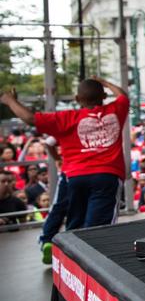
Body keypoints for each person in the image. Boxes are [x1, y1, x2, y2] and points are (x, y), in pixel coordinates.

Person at [0, 77, 128, 239]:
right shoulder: (116, 110)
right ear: (104, 96)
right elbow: (123, 95)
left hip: (75, 178)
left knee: (75, 223)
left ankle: (66, 254)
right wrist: (106, 83)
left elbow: (31, 118)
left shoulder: (66, 118)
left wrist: (10, 101)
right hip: (107, 176)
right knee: (98, 228)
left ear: (77, 99)